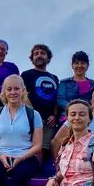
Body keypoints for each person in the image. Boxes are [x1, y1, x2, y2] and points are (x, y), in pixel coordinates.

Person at [21, 44, 59, 174]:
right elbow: (23, 95)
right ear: (32, 58)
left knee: (43, 148)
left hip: (48, 122)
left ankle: (39, 176)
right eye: (36, 53)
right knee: (31, 147)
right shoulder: (26, 75)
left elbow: (55, 98)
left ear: (48, 58)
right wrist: (32, 114)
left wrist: (54, 115)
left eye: (42, 53)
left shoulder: (54, 78)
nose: (39, 55)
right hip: (30, 119)